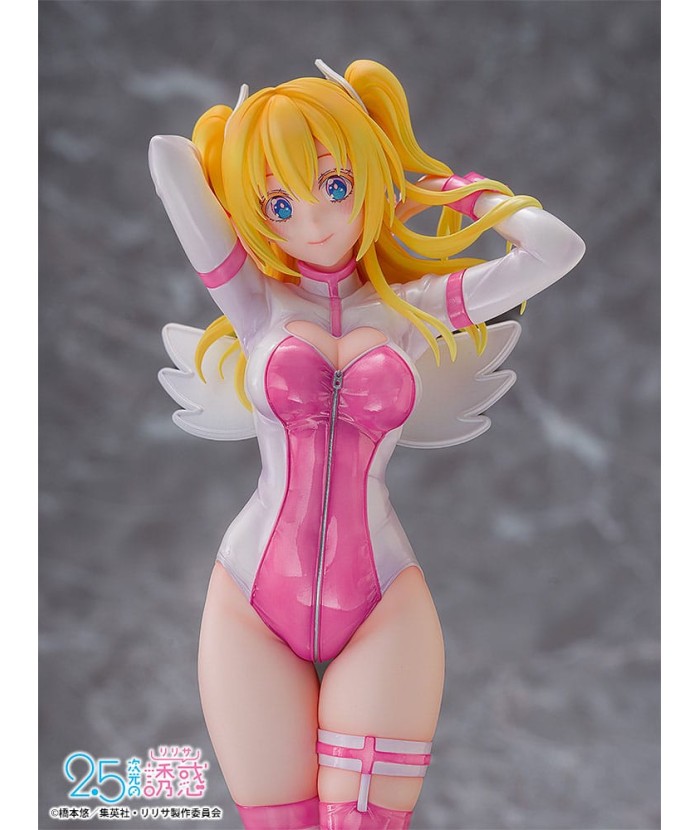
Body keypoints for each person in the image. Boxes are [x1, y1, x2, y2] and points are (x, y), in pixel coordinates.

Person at [150, 58, 585, 830]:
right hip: (251, 597)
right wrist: (243, 144)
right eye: (280, 203)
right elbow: (168, 159)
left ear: (368, 178)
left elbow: (557, 251)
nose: (314, 222)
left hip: (380, 599)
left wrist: (456, 192)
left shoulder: (413, 309)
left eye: (335, 185)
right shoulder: (254, 303)